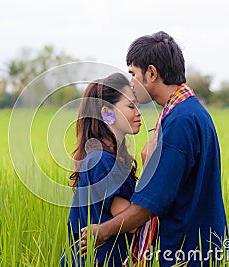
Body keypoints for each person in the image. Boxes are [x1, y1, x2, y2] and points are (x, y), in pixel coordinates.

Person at [81, 31, 229, 266]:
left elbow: (149, 205)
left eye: (133, 74)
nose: (131, 83)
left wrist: (102, 231)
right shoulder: (187, 112)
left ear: (151, 73)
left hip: (188, 251)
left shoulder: (181, 121)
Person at [61, 73, 142, 267]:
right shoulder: (101, 160)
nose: (138, 112)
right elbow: (133, 223)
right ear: (107, 113)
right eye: (131, 106)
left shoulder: (108, 158)